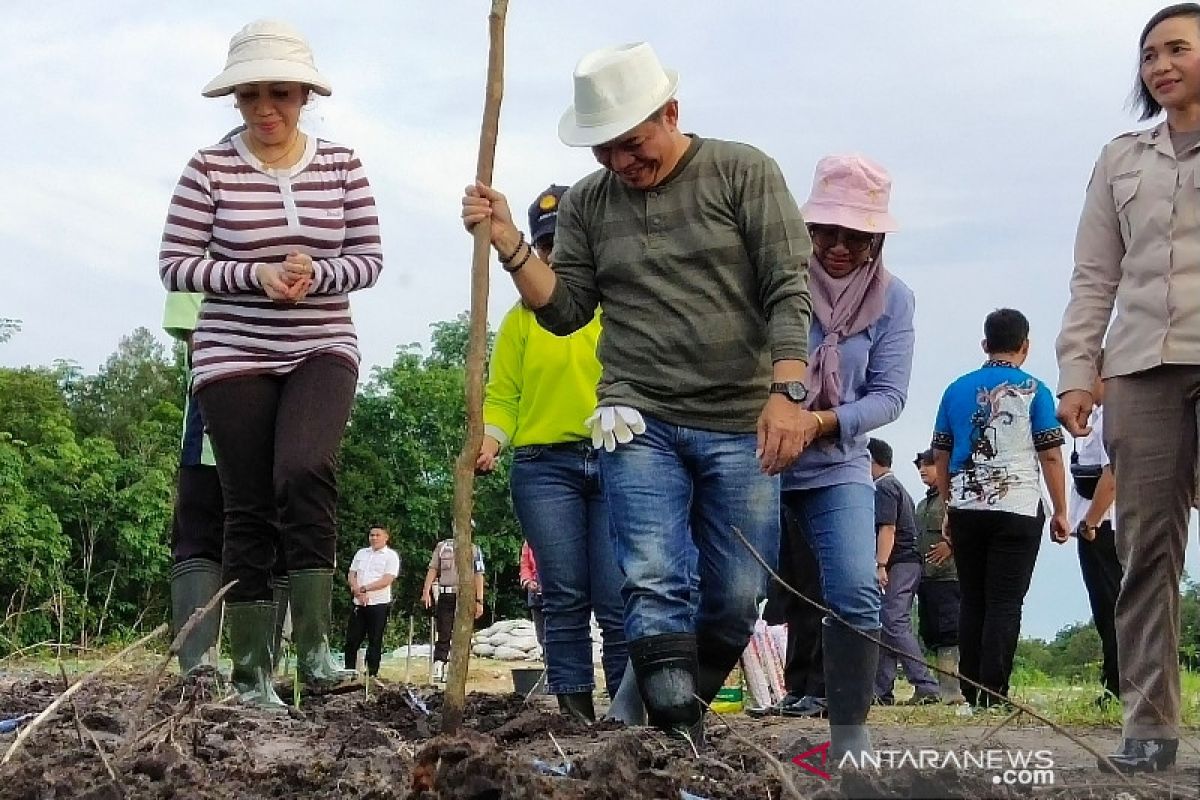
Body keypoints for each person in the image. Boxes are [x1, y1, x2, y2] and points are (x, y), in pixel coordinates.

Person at [462, 42, 813, 738]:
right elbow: (565, 312)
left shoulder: (743, 173)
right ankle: (674, 733)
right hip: (637, 415)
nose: (622, 162)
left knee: (739, 592)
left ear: (672, 112)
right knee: (653, 577)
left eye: (633, 142)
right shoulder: (591, 203)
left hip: (741, 415)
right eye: (605, 150)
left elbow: (787, 285)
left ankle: (676, 707)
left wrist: (788, 391)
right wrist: (509, 244)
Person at [158, 19, 383, 708]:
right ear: (234, 99)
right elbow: (176, 264)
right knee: (248, 500)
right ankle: (254, 671)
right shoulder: (208, 170)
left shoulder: (342, 165)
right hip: (232, 351)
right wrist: (252, 276)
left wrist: (318, 273)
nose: (266, 109)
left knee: (304, 469)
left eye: (280, 93)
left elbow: (369, 260)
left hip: (321, 344)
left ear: (304, 94)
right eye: (250, 95)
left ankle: (314, 652)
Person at [1055, 2, 1200, 773]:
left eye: (1177, 48)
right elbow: (1094, 274)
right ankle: (1149, 724)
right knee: (1145, 549)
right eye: (1149, 55)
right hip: (1141, 367)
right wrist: (1080, 370)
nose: (1160, 65)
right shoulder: (1121, 159)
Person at [778, 154, 915, 758]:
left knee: (858, 593)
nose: (839, 245)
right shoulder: (776, 281)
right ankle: (660, 719)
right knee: (720, 589)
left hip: (837, 462)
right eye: (826, 231)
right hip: (759, 453)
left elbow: (890, 395)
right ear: (807, 230)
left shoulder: (896, 302)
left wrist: (824, 421)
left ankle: (850, 742)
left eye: (856, 235)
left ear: (876, 238)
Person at [476, 184, 628, 722]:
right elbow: (503, 396)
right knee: (563, 594)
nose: (556, 255)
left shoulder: (617, 308)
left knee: (617, 598)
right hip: (545, 470)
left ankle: (625, 713)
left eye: (567, 242)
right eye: (546, 246)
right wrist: (490, 439)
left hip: (616, 457)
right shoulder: (521, 319)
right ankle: (574, 711)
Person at [932, 309, 1068, 712]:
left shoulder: (955, 389)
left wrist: (947, 505)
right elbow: (1051, 456)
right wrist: (1061, 510)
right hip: (1018, 507)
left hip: (966, 506)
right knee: (1006, 602)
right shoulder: (1035, 390)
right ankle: (995, 694)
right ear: (1025, 346)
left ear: (985, 345)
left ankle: (971, 693)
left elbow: (941, 452)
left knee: (973, 599)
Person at [1065, 364, 1122, 709]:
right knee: (1106, 608)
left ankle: (1118, 684)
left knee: (1110, 607)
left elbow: (1111, 474)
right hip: (1099, 525)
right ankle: (1114, 679)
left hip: (1103, 526)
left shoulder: (1110, 419)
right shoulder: (1099, 417)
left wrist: (1091, 520)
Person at [868, 438, 940, 706]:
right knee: (888, 623)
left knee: (894, 620)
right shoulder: (895, 487)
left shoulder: (885, 487)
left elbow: (888, 529)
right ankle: (880, 689)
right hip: (904, 562)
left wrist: (880, 564)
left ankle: (926, 684)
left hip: (900, 562)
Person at [749, 507, 826, 718]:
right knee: (791, 597)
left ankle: (820, 690)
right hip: (784, 499)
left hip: (814, 493)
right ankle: (797, 688)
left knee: (815, 595)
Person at [912, 449, 964, 704]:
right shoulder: (923, 504)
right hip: (927, 578)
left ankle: (953, 693)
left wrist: (952, 546)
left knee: (950, 633)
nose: (923, 470)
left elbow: (968, 529)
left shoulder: (955, 497)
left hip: (950, 577)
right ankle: (941, 690)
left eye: (929, 465)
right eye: (920, 466)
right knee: (931, 633)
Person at [421, 531, 485, 682]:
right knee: (443, 630)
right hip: (445, 593)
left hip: (465, 595)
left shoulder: (474, 549)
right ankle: (439, 665)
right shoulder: (443, 547)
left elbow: (479, 574)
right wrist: (426, 591)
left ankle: (456, 668)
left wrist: (479, 600)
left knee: (462, 632)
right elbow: (433, 569)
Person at [344, 526, 401, 681]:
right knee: (352, 639)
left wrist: (365, 588)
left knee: (375, 640)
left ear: (386, 537)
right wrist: (356, 590)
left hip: (378, 603)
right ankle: (349, 672)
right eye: (371, 535)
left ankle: (372, 674)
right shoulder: (361, 553)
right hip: (359, 603)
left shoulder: (391, 556)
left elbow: (387, 579)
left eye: (377, 535)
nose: (374, 538)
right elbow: (351, 573)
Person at [518, 541, 545, 649]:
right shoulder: (529, 541)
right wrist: (528, 581)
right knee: (542, 636)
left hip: (556, 592)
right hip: (536, 594)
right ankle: (548, 663)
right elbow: (525, 565)